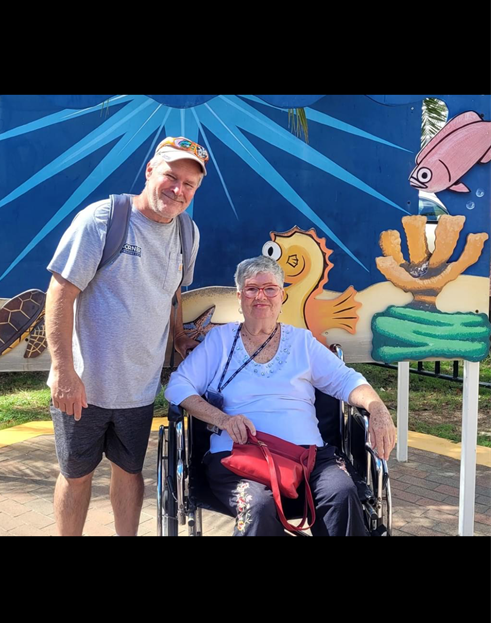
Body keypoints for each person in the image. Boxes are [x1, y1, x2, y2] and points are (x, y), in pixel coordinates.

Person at [45, 135, 209, 536]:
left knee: (130, 471)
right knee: (76, 475)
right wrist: (64, 372)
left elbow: (173, 292)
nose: (178, 190)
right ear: (150, 170)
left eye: (189, 184)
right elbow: (60, 294)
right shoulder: (102, 220)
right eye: (171, 177)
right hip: (83, 389)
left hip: (139, 390)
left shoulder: (188, 233)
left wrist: (178, 337)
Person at [165, 255, 396, 536]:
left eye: (270, 289)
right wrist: (223, 420)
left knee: (341, 492)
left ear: (282, 296)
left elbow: (347, 380)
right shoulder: (219, 341)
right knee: (258, 506)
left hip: (308, 458)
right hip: (239, 457)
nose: (260, 296)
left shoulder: (302, 342)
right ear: (239, 297)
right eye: (251, 289)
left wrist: (378, 408)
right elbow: (179, 386)